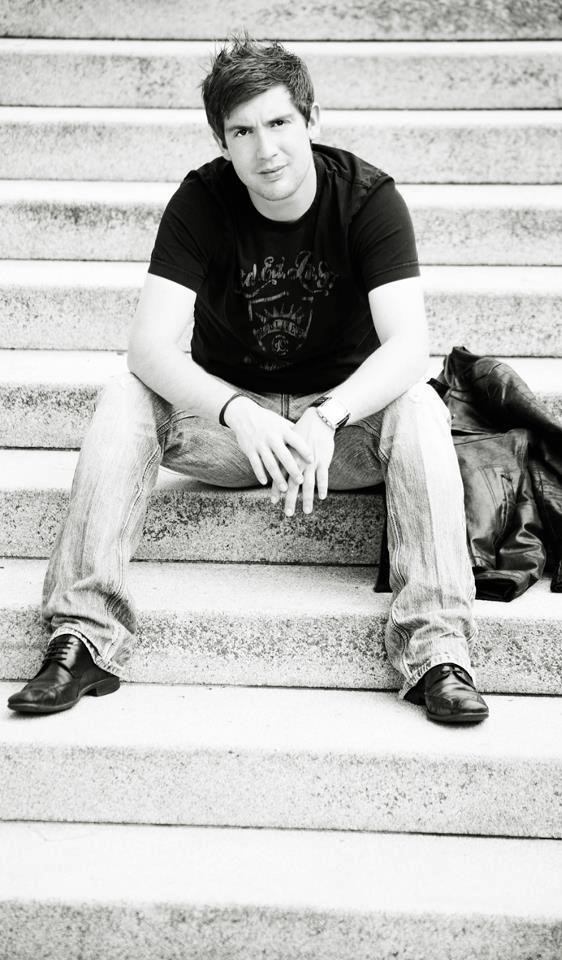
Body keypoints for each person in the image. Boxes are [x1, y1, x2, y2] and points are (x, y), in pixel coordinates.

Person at [7, 36, 488, 724]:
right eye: (243, 131)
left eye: (279, 122)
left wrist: (327, 415)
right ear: (222, 141)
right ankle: (83, 637)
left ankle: (436, 651)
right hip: (234, 436)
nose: (266, 149)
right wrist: (237, 410)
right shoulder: (202, 201)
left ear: (312, 119)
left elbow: (409, 347)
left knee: (416, 403)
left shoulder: (367, 200)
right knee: (124, 395)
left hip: (338, 437)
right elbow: (148, 348)